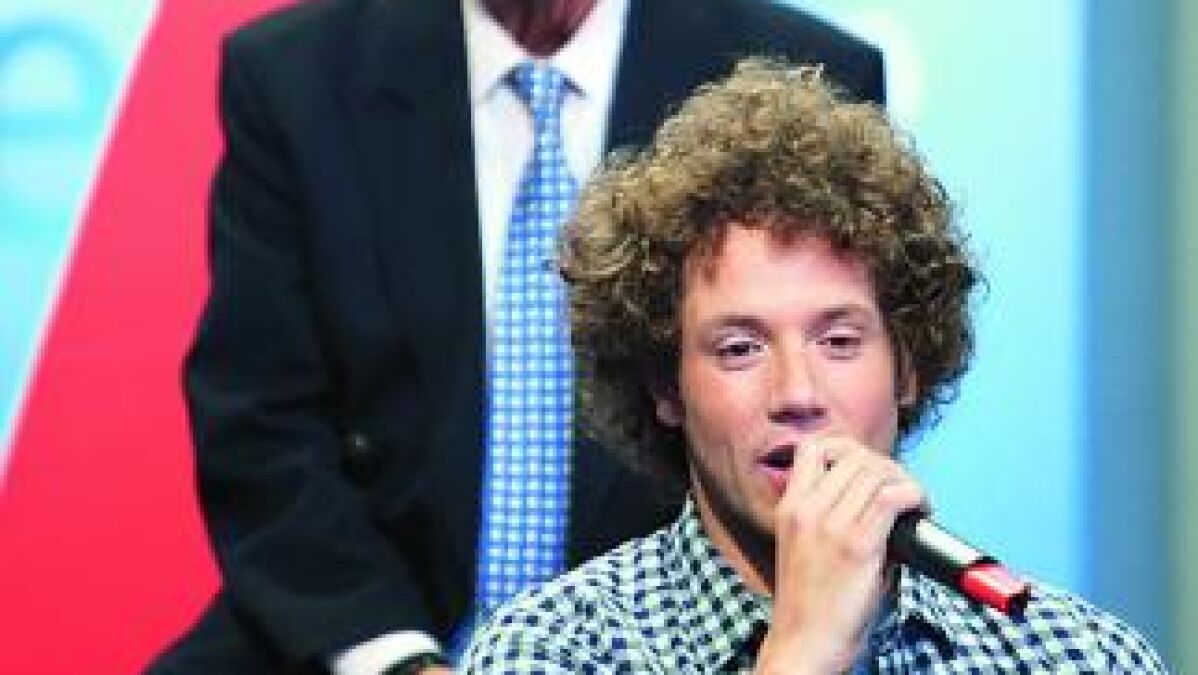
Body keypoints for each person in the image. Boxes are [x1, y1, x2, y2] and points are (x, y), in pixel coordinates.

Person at [148, 1, 886, 673]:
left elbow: (820, 426)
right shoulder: (298, 77)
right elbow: (261, 425)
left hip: (674, 639)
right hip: (368, 628)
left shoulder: (795, 73)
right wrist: (398, 661)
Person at [460, 60, 1167, 673]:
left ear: (907, 365)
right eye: (740, 348)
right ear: (665, 385)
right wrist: (805, 648)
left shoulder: (1074, 655)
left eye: (838, 341)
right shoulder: (555, 649)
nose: (797, 392)